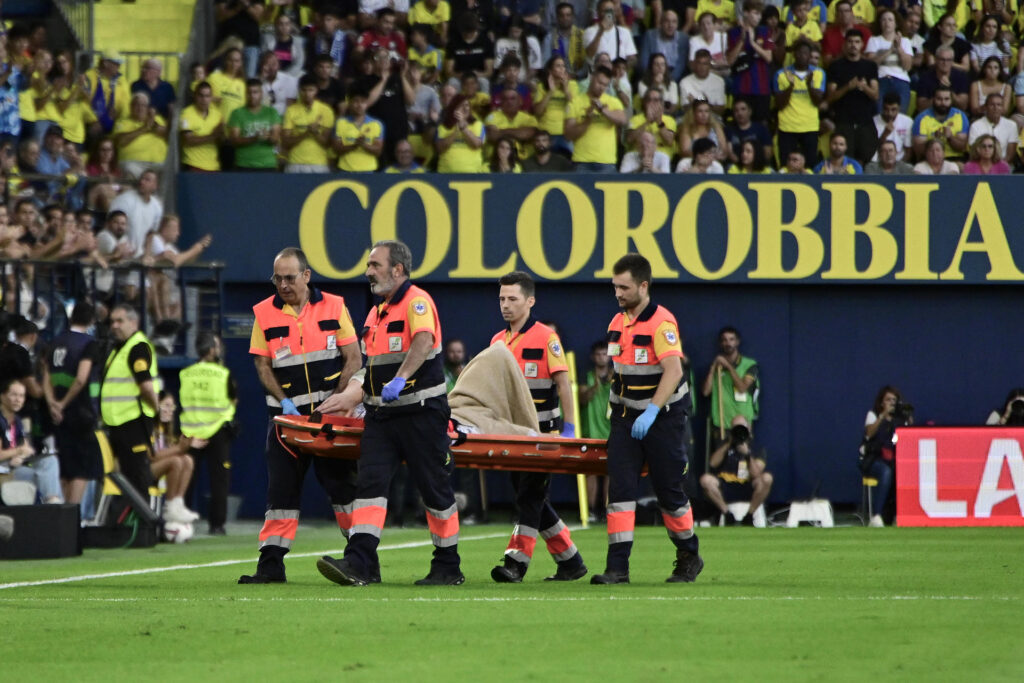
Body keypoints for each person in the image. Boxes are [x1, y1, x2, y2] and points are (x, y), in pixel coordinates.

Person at [317, 240, 465, 587]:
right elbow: (369, 367)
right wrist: (353, 397)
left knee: (434, 489)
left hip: (421, 412)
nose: (368, 272)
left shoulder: (416, 301)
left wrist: (400, 380)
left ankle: (448, 564)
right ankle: (360, 562)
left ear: (397, 269)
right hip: (381, 417)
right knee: (369, 486)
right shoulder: (376, 312)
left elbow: (424, 340)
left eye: (374, 265)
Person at [239, 247, 362, 584]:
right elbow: (262, 364)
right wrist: (284, 401)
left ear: (306, 276)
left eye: (289, 278)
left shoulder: (334, 306)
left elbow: (353, 357)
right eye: (277, 278)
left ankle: (361, 557)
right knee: (281, 492)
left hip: (328, 420)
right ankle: (271, 565)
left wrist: (339, 398)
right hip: (286, 422)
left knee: (342, 487)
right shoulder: (264, 313)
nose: (282, 284)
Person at [592, 253, 703, 585]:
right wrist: (617, 410)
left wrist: (653, 410)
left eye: (624, 288)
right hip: (626, 419)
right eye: (615, 287)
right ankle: (617, 568)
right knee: (621, 493)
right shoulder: (616, 323)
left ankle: (688, 556)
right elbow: (619, 372)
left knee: (669, 492)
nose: (618, 294)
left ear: (643, 285)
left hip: (663, 419)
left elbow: (674, 371)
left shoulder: (661, 323)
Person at [488, 271, 586, 583]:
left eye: (512, 299)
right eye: (502, 298)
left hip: (544, 435)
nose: (505, 305)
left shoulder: (546, 337)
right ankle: (570, 561)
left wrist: (568, 428)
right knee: (532, 498)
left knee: (529, 497)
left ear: (530, 301)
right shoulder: (497, 341)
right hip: (514, 434)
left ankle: (515, 562)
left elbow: (563, 383)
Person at [42, 302, 102, 510]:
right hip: (81, 413)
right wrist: (63, 403)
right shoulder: (89, 344)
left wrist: (53, 405)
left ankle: (63, 517)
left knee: (65, 468)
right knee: (82, 469)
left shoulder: (55, 342)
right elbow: (81, 379)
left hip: (58, 417)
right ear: (91, 320)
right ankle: (72, 516)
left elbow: (46, 376)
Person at [178, 332, 237, 535]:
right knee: (219, 480)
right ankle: (217, 525)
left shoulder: (185, 373)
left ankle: (180, 522)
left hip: (191, 432)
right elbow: (233, 399)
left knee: (185, 478)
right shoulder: (223, 374)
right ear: (212, 350)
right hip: (217, 430)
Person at [99, 305, 161, 498]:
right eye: (112, 321)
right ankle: (131, 526)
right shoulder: (121, 348)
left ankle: (144, 528)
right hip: (119, 424)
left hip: (133, 423)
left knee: (137, 479)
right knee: (128, 480)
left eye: (120, 321)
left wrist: (156, 410)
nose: (114, 326)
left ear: (134, 322)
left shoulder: (137, 347)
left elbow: (146, 386)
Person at [701, 415, 772, 525]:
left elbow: (757, 474)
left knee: (767, 478)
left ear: (748, 428)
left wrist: (747, 454)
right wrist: (729, 443)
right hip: (726, 486)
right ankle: (727, 514)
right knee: (705, 480)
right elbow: (712, 464)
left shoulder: (756, 446)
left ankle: (749, 515)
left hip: (748, 486)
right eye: (736, 428)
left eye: (742, 427)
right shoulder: (724, 443)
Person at [0, 378, 62, 503]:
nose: (18, 399)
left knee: (50, 461)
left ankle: (54, 501)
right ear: (2, 396)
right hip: (4, 470)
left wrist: (21, 455)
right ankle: (54, 506)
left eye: (21, 396)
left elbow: (26, 449)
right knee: (44, 478)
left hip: (18, 466)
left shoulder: (17, 420)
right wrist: (18, 451)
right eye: (14, 395)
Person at [860, 385, 912, 527]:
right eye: (888, 400)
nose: (891, 403)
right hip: (873, 460)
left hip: (894, 460)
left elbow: (907, 438)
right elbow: (869, 434)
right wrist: (883, 416)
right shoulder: (873, 414)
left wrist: (908, 419)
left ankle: (899, 515)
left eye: (894, 400)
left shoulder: (899, 420)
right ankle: (876, 516)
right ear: (882, 402)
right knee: (886, 471)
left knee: (902, 472)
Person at [826, 30, 879, 167]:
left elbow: (875, 95)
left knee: (866, 157)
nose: (853, 45)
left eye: (856, 42)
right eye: (850, 42)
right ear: (844, 44)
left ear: (862, 44)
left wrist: (863, 87)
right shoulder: (835, 66)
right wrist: (847, 87)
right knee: (845, 159)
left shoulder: (870, 66)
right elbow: (830, 97)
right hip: (844, 120)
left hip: (865, 120)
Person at [701, 325, 759, 447]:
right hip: (722, 423)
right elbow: (706, 392)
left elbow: (743, 388)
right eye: (725, 340)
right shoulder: (717, 367)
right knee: (722, 464)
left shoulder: (750, 365)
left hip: (742, 423)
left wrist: (728, 367)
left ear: (737, 342)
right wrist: (712, 369)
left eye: (731, 339)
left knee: (742, 462)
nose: (728, 343)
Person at [774, 39, 826, 168]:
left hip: (810, 127)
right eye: (799, 53)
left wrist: (809, 86)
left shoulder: (819, 73)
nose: (802, 56)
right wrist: (791, 86)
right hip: (787, 127)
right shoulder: (781, 74)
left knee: (809, 167)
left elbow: (817, 101)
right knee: (786, 167)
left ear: (810, 56)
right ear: (794, 54)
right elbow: (780, 104)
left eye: (806, 53)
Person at [151, 391, 200, 524]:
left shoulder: (166, 430)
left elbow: (170, 451)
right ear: (156, 405)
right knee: (175, 461)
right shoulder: (149, 426)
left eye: (172, 407)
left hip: (157, 467)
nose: (170, 411)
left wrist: (185, 446)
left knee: (188, 460)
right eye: (166, 406)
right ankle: (170, 506)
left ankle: (178, 503)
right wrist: (179, 448)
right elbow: (152, 456)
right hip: (143, 469)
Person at [726, 0, 776, 123]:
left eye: (760, 14)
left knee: (761, 123)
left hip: (761, 88)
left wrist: (753, 44)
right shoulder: (733, 33)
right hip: (741, 87)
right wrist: (742, 41)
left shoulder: (764, 32)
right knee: (740, 124)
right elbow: (730, 61)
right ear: (745, 13)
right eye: (755, 13)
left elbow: (769, 58)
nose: (758, 17)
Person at [579, 340, 611, 522]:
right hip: (590, 430)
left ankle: (607, 511)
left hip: (610, 431)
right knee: (590, 472)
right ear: (593, 357)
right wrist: (596, 386)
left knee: (610, 472)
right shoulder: (587, 376)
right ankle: (591, 510)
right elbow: (582, 399)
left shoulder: (617, 376)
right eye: (598, 354)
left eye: (605, 353)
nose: (601, 357)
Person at [281, 74, 335, 172]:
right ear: (299, 90)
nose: (307, 94)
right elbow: (286, 142)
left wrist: (315, 132)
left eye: (311, 90)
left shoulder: (326, 111)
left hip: (319, 164)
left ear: (316, 90)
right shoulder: (291, 110)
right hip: (294, 163)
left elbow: (327, 143)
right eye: (304, 90)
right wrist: (306, 133)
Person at [228, 78, 282, 170]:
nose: (252, 96)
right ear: (245, 94)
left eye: (255, 92)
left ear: (261, 94)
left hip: (267, 164)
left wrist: (268, 137)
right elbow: (234, 141)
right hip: (244, 164)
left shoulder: (272, 112)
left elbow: (276, 139)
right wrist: (255, 138)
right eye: (249, 92)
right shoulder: (237, 113)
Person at [334, 85, 385, 172]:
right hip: (345, 170)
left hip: (368, 171)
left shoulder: (376, 124)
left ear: (367, 103)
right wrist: (354, 145)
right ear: (349, 102)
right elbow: (337, 149)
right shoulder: (340, 123)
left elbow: (378, 151)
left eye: (363, 102)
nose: (359, 105)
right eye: (356, 101)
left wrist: (363, 144)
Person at [911, 85, 968, 162]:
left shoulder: (961, 116)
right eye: (939, 99)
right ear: (933, 99)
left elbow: (962, 148)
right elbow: (918, 151)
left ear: (951, 100)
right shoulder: (921, 118)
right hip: (929, 160)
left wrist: (950, 137)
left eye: (946, 99)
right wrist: (934, 139)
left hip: (954, 160)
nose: (943, 103)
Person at [180, 82, 224, 172]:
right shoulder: (186, 114)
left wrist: (221, 135)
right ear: (195, 96)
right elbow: (188, 140)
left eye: (207, 96)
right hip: (193, 165)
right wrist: (212, 136)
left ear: (211, 98)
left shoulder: (217, 115)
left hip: (214, 167)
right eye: (201, 96)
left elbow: (221, 141)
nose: (204, 99)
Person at [583, 0, 638, 72]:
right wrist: (601, 31)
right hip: (596, 73)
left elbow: (632, 57)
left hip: (618, 75)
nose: (608, 14)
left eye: (611, 11)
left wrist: (622, 68)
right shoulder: (590, 31)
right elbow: (590, 54)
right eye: (605, 11)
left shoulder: (624, 32)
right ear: (598, 13)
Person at [436, 94, 484, 172]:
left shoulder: (477, 124)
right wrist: (456, 131)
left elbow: (476, 144)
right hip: (446, 174)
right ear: (454, 108)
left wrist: (463, 128)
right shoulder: (443, 126)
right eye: (461, 105)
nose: (465, 108)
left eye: (467, 105)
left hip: (472, 175)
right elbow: (440, 148)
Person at [915, 46, 969, 115]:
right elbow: (920, 106)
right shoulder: (925, 77)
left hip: (954, 114)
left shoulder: (961, 77)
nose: (945, 63)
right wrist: (938, 95)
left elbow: (963, 106)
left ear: (952, 61)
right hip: (930, 114)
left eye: (948, 60)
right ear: (936, 60)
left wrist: (949, 90)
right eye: (942, 59)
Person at [640, 10, 689, 83]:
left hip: (674, 77)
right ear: (661, 23)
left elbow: (680, 65)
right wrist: (653, 78)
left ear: (677, 24)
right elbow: (644, 62)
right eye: (667, 21)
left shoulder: (683, 39)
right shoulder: (650, 35)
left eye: (674, 22)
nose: (670, 25)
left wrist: (668, 81)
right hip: (652, 74)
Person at [968, 92, 1017, 164]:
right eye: (992, 105)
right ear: (985, 107)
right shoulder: (975, 126)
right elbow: (974, 152)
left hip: (1004, 166)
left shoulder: (1011, 125)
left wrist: (998, 168)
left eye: (999, 105)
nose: (996, 108)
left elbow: (1010, 155)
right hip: (981, 166)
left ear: (1003, 108)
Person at [679, 49, 727, 117]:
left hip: (713, 118)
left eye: (705, 64)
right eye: (699, 63)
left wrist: (698, 103)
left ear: (710, 65)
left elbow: (721, 110)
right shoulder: (684, 82)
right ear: (694, 64)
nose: (702, 67)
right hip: (691, 118)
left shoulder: (719, 82)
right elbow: (684, 109)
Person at [872, 92, 913, 163]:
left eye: (893, 110)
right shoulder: (873, 121)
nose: (889, 113)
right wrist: (885, 134)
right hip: (878, 163)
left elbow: (908, 151)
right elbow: (872, 149)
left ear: (899, 108)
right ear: (882, 107)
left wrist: (899, 167)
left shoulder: (907, 121)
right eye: (886, 109)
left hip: (900, 162)